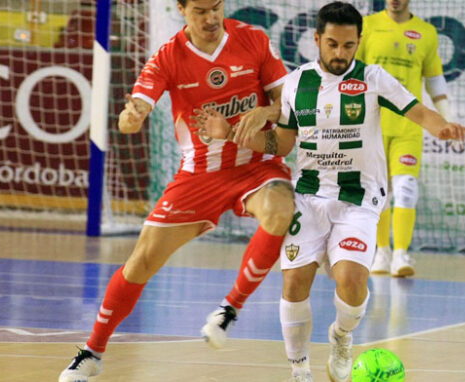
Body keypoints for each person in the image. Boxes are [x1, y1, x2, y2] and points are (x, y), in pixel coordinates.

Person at [192, 2, 465, 381]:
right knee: (294, 281)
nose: (340, 54)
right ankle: (300, 369)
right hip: (307, 196)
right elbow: (283, 143)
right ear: (317, 39)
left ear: (359, 42)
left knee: (353, 281)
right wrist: (232, 135)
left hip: (358, 199)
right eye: (333, 45)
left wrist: (443, 126)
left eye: (349, 46)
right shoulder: (295, 83)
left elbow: (418, 111)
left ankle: (341, 336)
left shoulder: (374, 79)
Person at [58, 0, 295, 381]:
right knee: (141, 262)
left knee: (282, 209)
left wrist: (267, 113)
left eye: (216, 7)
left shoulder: (252, 39)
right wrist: (131, 116)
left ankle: (228, 309)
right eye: (200, 10)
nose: (211, 18)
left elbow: (290, 102)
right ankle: (92, 351)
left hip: (256, 165)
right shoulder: (168, 56)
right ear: (181, 9)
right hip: (199, 175)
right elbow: (130, 116)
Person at [356, 0, 452, 277]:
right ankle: (381, 252)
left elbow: (435, 80)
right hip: (372, 124)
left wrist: (447, 119)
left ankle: (401, 254)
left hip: (408, 126)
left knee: (406, 187)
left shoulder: (426, 32)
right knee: (377, 193)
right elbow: (353, 70)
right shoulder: (368, 25)